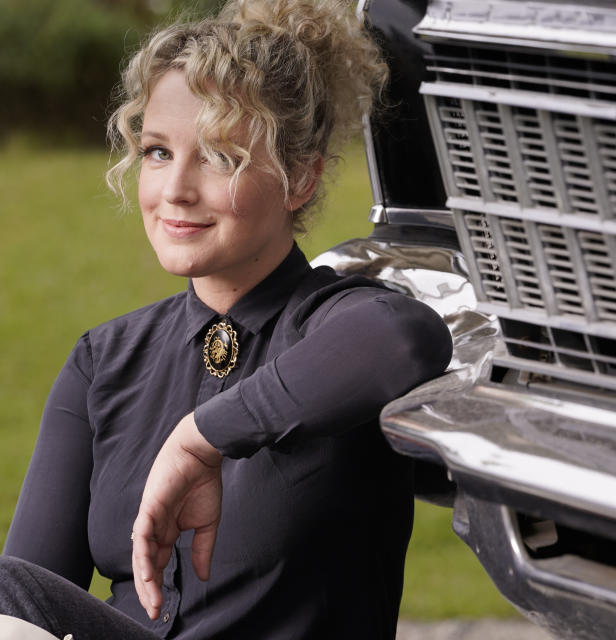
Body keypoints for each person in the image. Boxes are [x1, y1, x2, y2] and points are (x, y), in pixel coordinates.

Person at [0, 0, 452, 638]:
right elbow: (26, 599)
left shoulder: (340, 325)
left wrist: (201, 438)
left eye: (218, 156)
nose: (175, 189)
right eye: (157, 152)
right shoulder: (105, 359)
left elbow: (410, 339)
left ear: (299, 178)